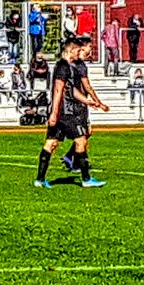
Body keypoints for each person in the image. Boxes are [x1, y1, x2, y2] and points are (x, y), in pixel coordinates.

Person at [34, 37, 108, 189]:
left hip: (63, 111)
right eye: (78, 50)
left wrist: (88, 102)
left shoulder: (68, 66)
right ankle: (86, 179)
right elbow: (58, 90)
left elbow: (72, 90)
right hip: (66, 112)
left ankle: (40, 180)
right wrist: (54, 113)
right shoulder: (63, 67)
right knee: (81, 140)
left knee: (51, 143)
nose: (79, 53)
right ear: (71, 50)